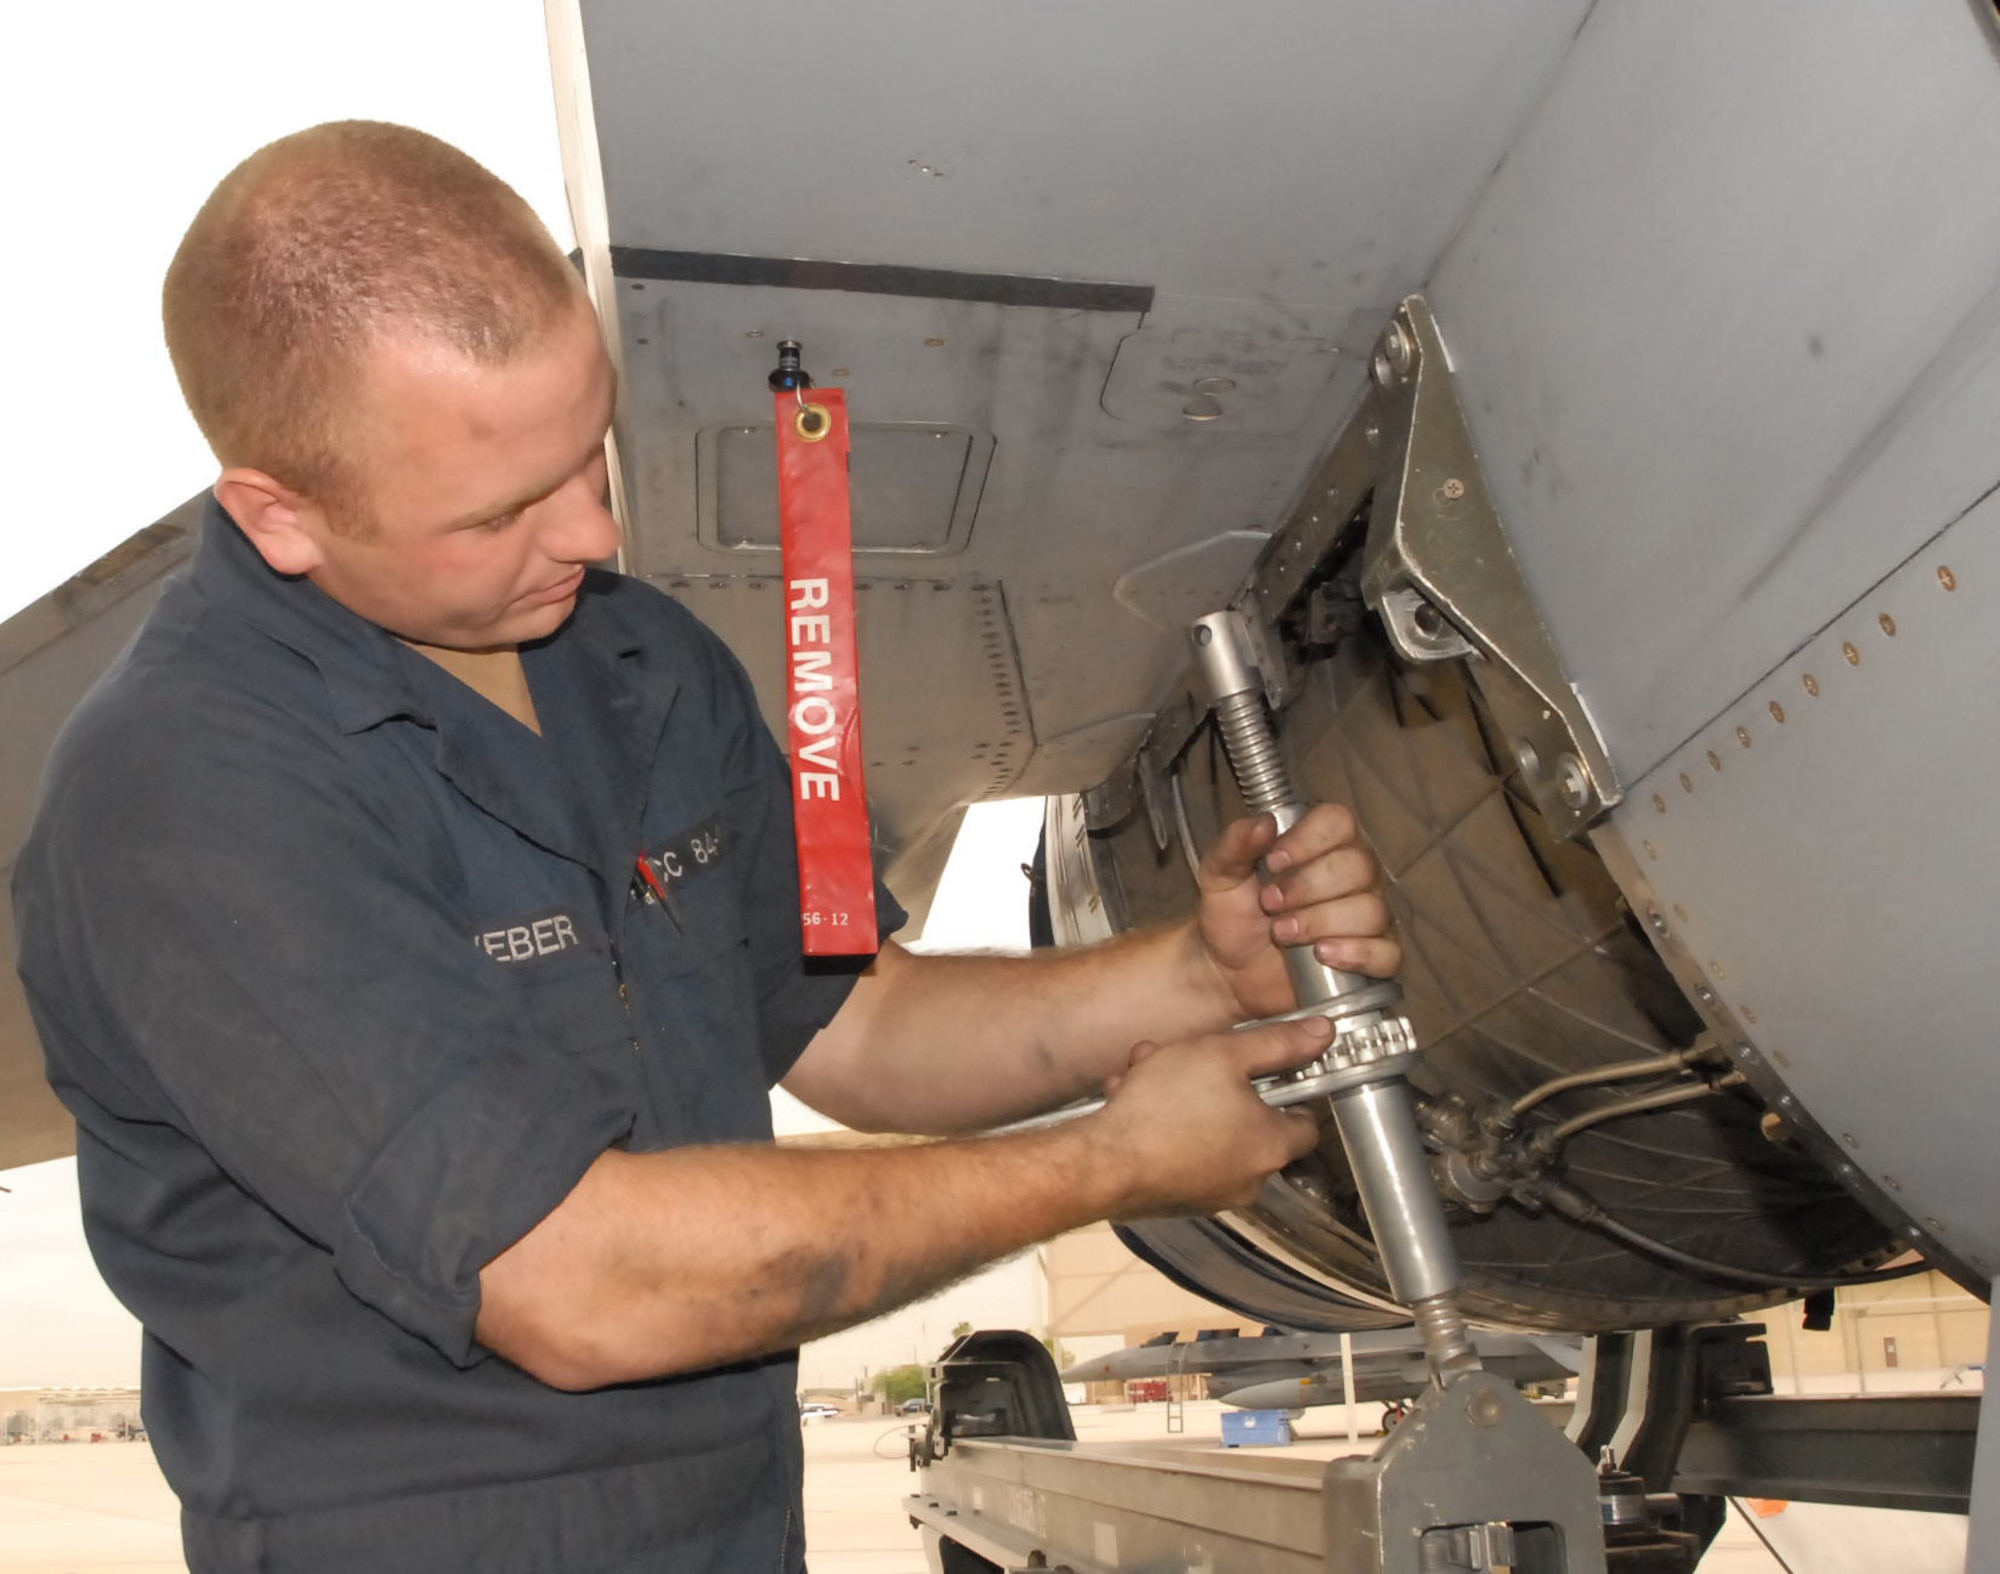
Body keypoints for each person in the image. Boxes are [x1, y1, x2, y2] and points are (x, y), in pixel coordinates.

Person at [11, 122, 1400, 1573]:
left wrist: (1187, 972)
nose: (595, 531)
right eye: (500, 511)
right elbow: (583, 1285)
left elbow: (857, 1021)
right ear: (280, 516)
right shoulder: (189, 791)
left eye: (588, 454)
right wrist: (1112, 1161)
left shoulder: (636, 661)